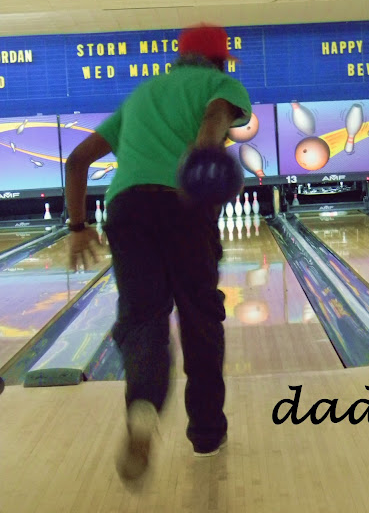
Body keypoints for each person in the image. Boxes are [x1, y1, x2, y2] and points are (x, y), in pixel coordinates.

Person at [65, 24, 252, 487]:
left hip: (127, 208)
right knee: (200, 316)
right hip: (183, 203)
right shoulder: (221, 85)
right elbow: (214, 119)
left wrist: (77, 227)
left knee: (143, 317)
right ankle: (206, 433)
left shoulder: (141, 95)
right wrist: (203, 161)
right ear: (220, 60)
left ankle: (143, 407)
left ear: (179, 57)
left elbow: (77, 159)